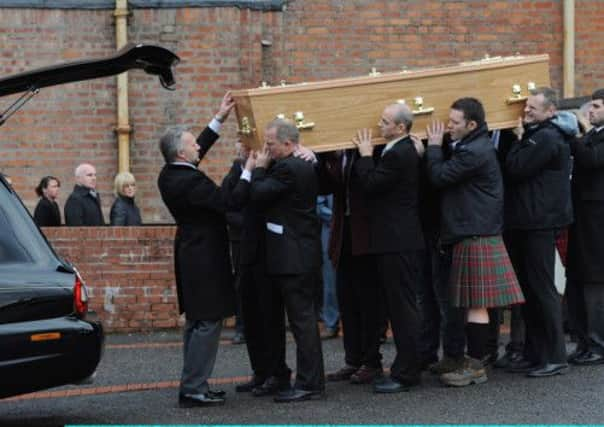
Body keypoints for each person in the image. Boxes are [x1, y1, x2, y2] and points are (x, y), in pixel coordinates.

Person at [157, 92, 250, 408]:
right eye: (192, 144)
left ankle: (194, 384)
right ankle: (194, 388)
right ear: (181, 153)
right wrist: (247, 168)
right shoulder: (189, 183)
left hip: (193, 254)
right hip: (204, 259)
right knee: (207, 322)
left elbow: (197, 149)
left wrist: (219, 118)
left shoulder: (172, 172)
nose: (199, 145)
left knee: (198, 321)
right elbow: (228, 202)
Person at [425, 97, 524, 387]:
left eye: (454, 123)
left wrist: (432, 147)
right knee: (463, 304)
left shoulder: (475, 151)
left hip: (476, 232)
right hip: (469, 231)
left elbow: (439, 176)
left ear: (471, 124)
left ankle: (476, 365)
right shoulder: (471, 145)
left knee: (475, 305)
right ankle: (458, 358)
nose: (448, 127)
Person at [250, 118, 324, 403]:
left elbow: (258, 194)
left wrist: (258, 168)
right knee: (302, 320)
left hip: (294, 256)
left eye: (270, 145)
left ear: (289, 144)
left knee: (302, 322)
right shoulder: (302, 164)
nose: (266, 150)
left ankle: (310, 383)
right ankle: (308, 380)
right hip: (299, 253)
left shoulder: (287, 168)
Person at [351, 102, 425, 393]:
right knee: (400, 305)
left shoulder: (400, 153)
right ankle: (408, 366)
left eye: (384, 122)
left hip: (398, 240)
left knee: (402, 307)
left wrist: (366, 156)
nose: (378, 125)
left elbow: (370, 184)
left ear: (401, 127)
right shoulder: (400, 149)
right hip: (396, 239)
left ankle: (407, 372)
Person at [503, 87, 573, 377]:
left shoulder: (546, 137)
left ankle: (556, 356)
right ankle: (536, 352)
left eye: (534, 107)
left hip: (539, 223)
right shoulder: (538, 135)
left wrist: (517, 140)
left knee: (542, 290)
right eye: (526, 106)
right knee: (530, 290)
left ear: (551, 111)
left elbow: (515, 168)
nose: (527, 110)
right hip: (528, 221)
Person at [566, 88, 604, 366]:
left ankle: (597, 343)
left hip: (598, 220)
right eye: (590, 106)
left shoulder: (592, 135)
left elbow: (592, 160)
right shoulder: (590, 135)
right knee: (578, 278)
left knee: (595, 281)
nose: (590, 111)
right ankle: (582, 341)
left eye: (597, 106)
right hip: (581, 216)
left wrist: (581, 132)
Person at [222, 141, 246, 345]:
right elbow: (227, 210)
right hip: (239, 238)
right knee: (241, 283)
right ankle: (241, 327)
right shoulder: (232, 177)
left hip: (257, 237)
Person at [317, 194, 339, 339]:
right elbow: (318, 206)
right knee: (330, 282)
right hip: (330, 230)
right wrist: (339, 218)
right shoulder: (326, 171)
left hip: (355, 228)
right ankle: (331, 323)